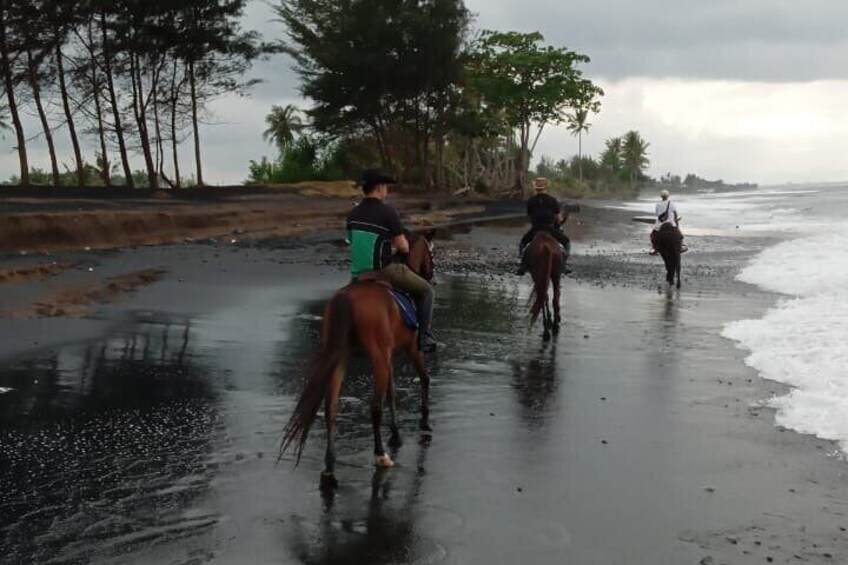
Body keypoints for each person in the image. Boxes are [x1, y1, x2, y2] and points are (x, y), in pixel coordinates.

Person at [347, 169, 437, 352]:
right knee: (427, 292)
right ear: (379, 188)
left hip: (357, 274)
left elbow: (350, 240)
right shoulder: (387, 212)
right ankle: (425, 338)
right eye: (385, 186)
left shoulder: (353, 213)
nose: (386, 190)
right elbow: (403, 246)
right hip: (383, 270)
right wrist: (399, 248)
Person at [516, 177, 572, 275]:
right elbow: (558, 219)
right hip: (550, 228)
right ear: (546, 187)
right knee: (567, 242)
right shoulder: (552, 200)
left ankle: (522, 265)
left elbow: (529, 217)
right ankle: (564, 265)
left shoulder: (531, 201)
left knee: (523, 243)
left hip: (536, 229)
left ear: (535, 188)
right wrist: (560, 220)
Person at [649, 189, 687, 255]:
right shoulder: (672, 204)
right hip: (671, 223)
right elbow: (675, 214)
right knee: (680, 235)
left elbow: (658, 214)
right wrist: (676, 222)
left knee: (653, 235)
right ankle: (680, 246)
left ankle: (654, 248)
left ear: (661, 196)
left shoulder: (658, 204)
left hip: (660, 224)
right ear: (668, 196)